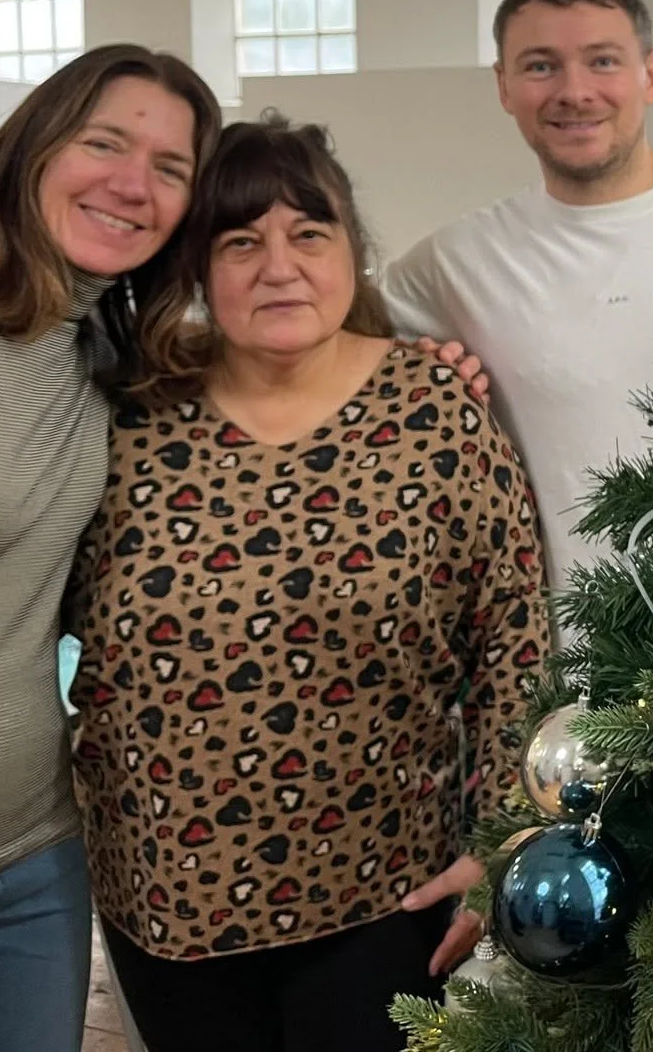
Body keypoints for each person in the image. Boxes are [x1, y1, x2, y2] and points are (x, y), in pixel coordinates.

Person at [66, 114, 547, 1052]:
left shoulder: (434, 407)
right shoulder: (131, 416)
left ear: (352, 252)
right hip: (163, 903)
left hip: (379, 895)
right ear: (198, 267)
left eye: (308, 234)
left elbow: (512, 638)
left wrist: (501, 842)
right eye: (239, 241)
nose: (277, 267)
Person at [0, 46, 221, 1052]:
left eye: (168, 167)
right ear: (30, 151)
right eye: (103, 142)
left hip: (39, 862)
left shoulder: (105, 360)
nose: (129, 184)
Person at [382, 0, 653, 598]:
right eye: (540, 66)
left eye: (603, 61)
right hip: (560, 676)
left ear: (652, 74)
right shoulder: (455, 262)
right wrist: (416, 370)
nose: (574, 90)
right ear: (504, 87)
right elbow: (331, 350)